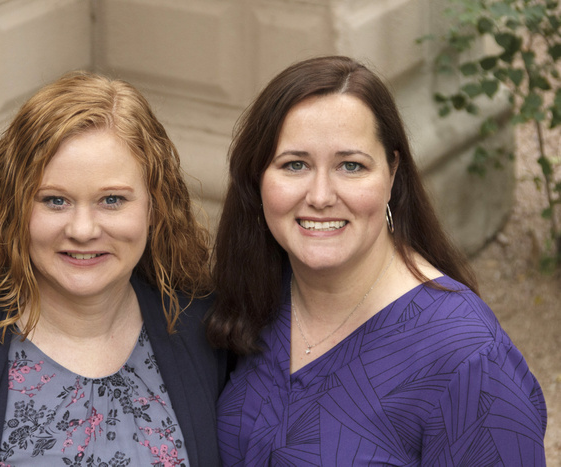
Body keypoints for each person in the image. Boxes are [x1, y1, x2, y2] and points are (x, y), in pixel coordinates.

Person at [0, 71, 226, 466]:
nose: (83, 230)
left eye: (112, 200)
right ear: (14, 207)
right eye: (55, 201)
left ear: (155, 207)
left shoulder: (203, 328)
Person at [207, 56, 547, 465]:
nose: (320, 196)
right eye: (294, 164)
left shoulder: (469, 361)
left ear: (392, 172)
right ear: (257, 177)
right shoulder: (250, 295)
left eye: (351, 166)